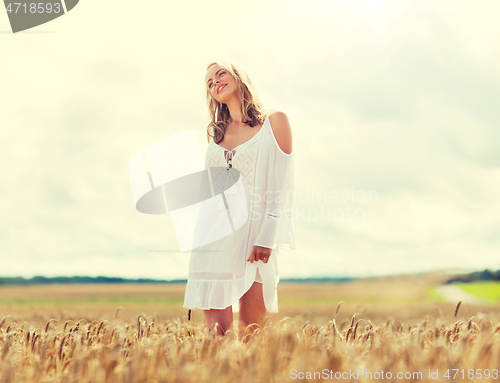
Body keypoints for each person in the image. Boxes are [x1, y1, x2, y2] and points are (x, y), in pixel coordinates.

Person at [183, 60, 296, 342]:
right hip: (212, 236)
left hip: (253, 233)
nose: (215, 82)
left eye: (220, 74)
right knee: (217, 337)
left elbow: (282, 183)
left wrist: (268, 233)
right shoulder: (216, 134)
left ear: (237, 77)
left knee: (251, 336)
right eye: (209, 83)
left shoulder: (275, 121)